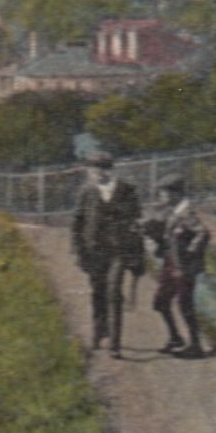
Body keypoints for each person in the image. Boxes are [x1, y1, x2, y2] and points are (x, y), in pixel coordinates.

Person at [71, 152, 144, 357]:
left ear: (109, 170)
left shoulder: (126, 190)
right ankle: (98, 332)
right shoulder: (86, 192)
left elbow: (136, 224)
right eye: (92, 170)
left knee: (113, 292)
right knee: (98, 292)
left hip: (118, 251)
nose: (96, 173)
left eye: (100, 169)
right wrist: (78, 251)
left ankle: (115, 342)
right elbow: (77, 223)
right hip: (94, 252)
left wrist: (137, 255)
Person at [145, 173, 211, 356]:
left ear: (175, 193)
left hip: (183, 267)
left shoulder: (186, 212)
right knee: (161, 302)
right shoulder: (173, 211)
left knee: (185, 305)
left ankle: (196, 345)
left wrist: (189, 254)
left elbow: (203, 233)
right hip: (171, 263)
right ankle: (175, 338)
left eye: (164, 193)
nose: (161, 197)